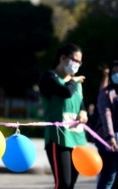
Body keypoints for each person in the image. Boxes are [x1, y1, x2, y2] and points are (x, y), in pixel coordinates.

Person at [38, 44, 88, 189]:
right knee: (63, 184)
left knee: (71, 184)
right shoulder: (49, 77)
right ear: (63, 58)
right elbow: (65, 92)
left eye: (80, 62)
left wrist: (83, 113)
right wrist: (74, 80)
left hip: (77, 138)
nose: (77, 65)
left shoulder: (76, 84)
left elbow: (81, 104)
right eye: (75, 60)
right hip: (58, 137)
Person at [94, 60, 118, 189]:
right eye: (114, 72)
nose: (117, 74)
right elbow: (106, 116)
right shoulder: (107, 93)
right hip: (110, 141)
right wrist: (110, 137)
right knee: (108, 178)